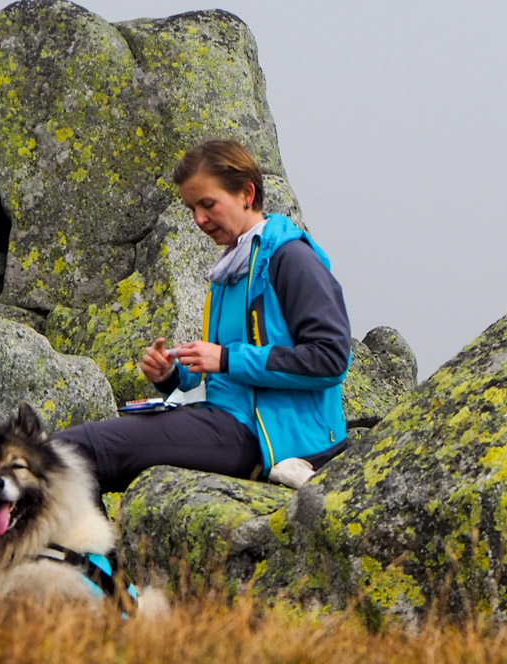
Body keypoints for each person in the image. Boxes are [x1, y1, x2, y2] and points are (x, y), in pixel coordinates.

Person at [54, 139, 352, 492]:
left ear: (246, 192)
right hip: (228, 420)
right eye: (191, 208)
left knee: (83, 449)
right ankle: (93, 549)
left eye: (208, 204)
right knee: (77, 456)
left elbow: (331, 359)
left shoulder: (291, 259)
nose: (199, 219)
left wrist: (226, 358)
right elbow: (223, 378)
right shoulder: (231, 270)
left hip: (270, 437)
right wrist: (171, 376)